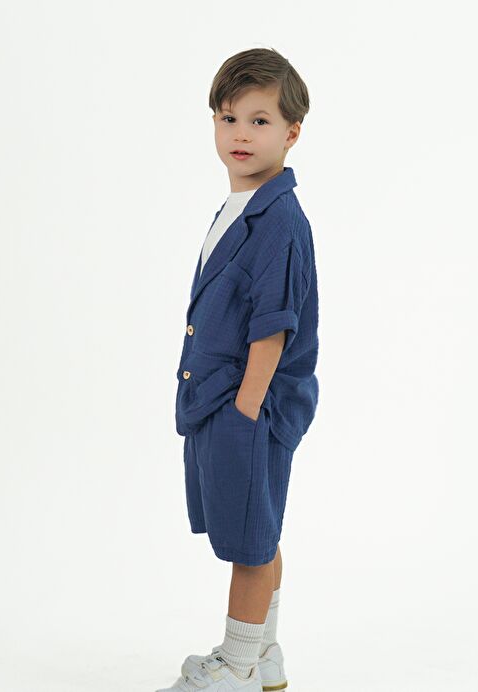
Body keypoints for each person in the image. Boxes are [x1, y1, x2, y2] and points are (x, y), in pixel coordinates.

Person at [157, 46, 319, 691]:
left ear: (291, 133)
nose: (240, 134)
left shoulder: (278, 219)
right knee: (259, 525)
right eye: (228, 118)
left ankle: (236, 662)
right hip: (221, 400)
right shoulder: (241, 205)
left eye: (259, 120)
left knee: (248, 544)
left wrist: (247, 409)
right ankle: (264, 654)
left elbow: (273, 325)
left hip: (248, 406)